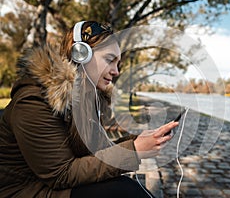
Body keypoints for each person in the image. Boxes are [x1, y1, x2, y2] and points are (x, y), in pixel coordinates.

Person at [0, 20, 178, 198]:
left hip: (50, 184)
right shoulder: (34, 100)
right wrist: (134, 150)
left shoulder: (86, 98)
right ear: (80, 54)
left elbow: (97, 154)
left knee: (125, 188)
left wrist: (138, 141)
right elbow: (61, 174)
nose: (116, 71)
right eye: (110, 60)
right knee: (123, 191)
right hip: (23, 190)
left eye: (117, 63)